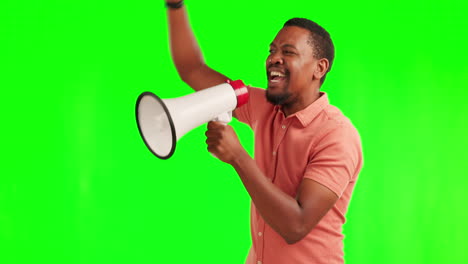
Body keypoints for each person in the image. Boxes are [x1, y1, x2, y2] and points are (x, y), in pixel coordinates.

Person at [165, 1, 363, 263]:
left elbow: (296, 225)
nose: (274, 58)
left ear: (320, 68)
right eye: (272, 50)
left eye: (288, 52)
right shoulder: (263, 107)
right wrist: (175, 6)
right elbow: (192, 69)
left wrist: (237, 156)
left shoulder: (337, 136)